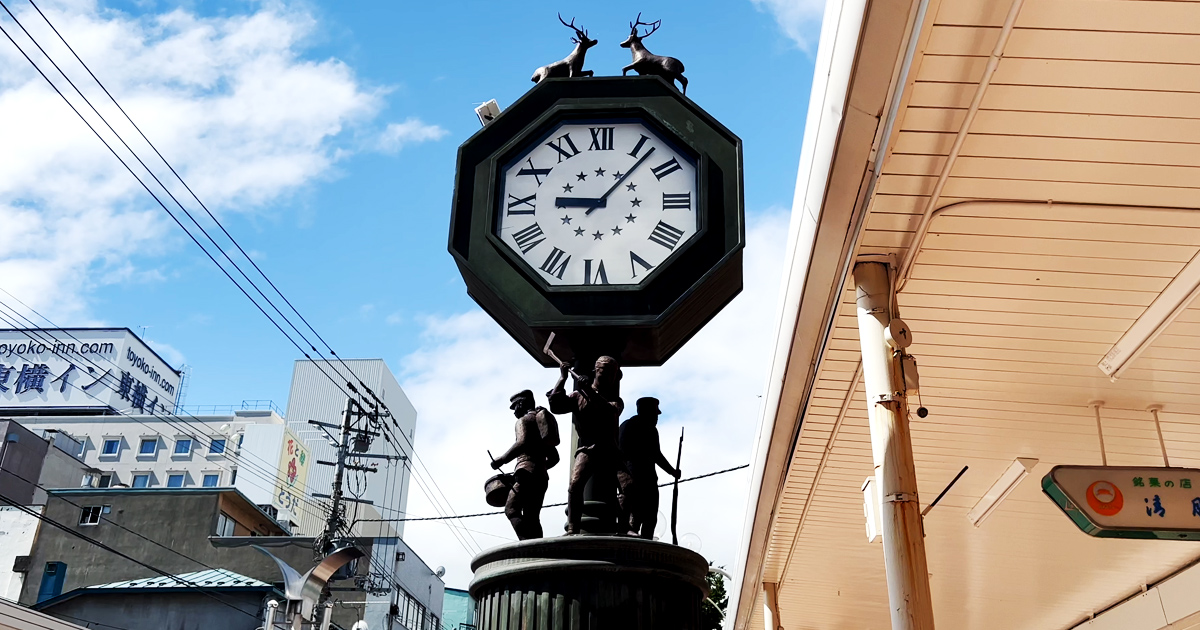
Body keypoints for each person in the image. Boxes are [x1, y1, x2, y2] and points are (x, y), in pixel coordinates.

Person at [547, 356, 624, 535]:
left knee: (627, 486)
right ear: (595, 372)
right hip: (588, 448)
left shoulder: (615, 400)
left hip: (609, 449)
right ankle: (573, 526)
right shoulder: (577, 396)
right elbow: (556, 405)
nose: (608, 376)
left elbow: (607, 410)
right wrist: (563, 378)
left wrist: (587, 390)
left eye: (612, 374)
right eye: (604, 371)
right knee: (575, 485)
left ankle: (624, 527)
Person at [491, 390, 556, 539]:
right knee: (532, 517)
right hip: (541, 477)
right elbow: (554, 458)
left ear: (521, 404)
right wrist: (539, 467)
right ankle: (538, 548)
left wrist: (501, 460)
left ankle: (527, 545)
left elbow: (522, 442)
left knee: (511, 510)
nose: (514, 412)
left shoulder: (523, 421)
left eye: (514, 407)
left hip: (526, 474)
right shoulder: (541, 423)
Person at [617, 397, 680, 539]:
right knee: (637, 515)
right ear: (645, 411)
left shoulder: (651, 430)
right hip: (633, 477)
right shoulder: (629, 426)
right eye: (654, 414)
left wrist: (672, 471)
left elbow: (656, 455)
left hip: (649, 478)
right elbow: (622, 453)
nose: (656, 418)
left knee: (650, 517)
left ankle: (646, 543)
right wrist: (672, 471)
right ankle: (633, 541)